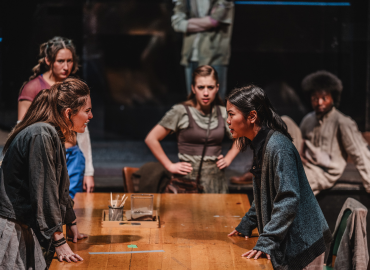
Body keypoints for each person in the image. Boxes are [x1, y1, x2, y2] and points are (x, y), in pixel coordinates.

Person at [226, 85, 332, 269]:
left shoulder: (278, 147)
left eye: (231, 114)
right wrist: (248, 223)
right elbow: (265, 193)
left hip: (304, 244)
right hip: (290, 239)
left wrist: (267, 240)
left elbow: (288, 198)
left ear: (251, 116)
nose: (227, 121)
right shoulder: (261, 145)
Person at [0, 78, 92, 268]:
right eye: (87, 110)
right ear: (68, 113)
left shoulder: (53, 133)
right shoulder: (42, 134)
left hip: (24, 227)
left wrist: (70, 221)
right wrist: (59, 241)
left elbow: (60, 185)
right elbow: (44, 191)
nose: (90, 116)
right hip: (13, 229)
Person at [17, 36, 95, 198]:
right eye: (60, 61)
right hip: (46, 156)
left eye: (70, 61)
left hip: (72, 155)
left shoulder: (74, 88)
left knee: (73, 209)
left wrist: (89, 171)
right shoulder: (33, 88)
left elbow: (83, 130)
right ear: (48, 60)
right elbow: (22, 131)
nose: (66, 66)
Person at [145, 65, 239, 193]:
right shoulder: (180, 111)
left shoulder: (222, 113)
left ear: (217, 88)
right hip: (187, 181)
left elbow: (242, 137)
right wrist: (169, 165)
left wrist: (228, 159)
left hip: (216, 181)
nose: (206, 93)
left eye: (210, 87)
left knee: (217, 213)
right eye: (201, 87)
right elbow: (151, 138)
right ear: (193, 88)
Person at [282, 70, 370, 195]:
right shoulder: (308, 120)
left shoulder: (342, 122)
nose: (319, 103)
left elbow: (359, 153)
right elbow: (298, 142)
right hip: (305, 165)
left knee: (292, 183)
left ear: (332, 98)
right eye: (315, 99)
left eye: (324, 98)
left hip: (325, 172)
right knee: (285, 121)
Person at [171, 0, 234, 99]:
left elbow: (214, 20)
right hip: (190, 53)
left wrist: (188, 23)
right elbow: (177, 23)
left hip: (214, 53)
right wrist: (205, 22)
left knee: (214, 107)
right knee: (193, 106)